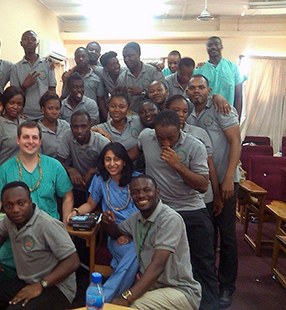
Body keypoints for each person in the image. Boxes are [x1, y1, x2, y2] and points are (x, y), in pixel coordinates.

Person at [128, 110, 219, 310]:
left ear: (180, 129)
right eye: (161, 138)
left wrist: (177, 165)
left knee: (203, 267)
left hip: (191, 210)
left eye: (171, 138)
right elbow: (129, 157)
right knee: (162, 266)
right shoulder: (146, 137)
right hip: (161, 213)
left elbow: (203, 185)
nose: (166, 143)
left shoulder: (195, 146)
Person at [0, 121, 74, 281]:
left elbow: (67, 196)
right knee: (2, 258)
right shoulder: (5, 169)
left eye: (34, 138)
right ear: (18, 140)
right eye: (26, 137)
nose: (30, 141)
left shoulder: (54, 166)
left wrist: (65, 225)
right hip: (16, 231)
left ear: (40, 141)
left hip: (48, 232)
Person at [0, 181, 80, 310]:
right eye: (9, 205)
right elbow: (0, 231)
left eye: (21, 203)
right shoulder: (9, 220)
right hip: (26, 281)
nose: (15, 210)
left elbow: (73, 261)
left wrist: (40, 285)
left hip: (57, 288)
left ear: (30, 201)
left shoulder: (47, 224)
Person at [103, 175, 201, 310]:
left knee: (132, 305)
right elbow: (115, 233)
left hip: (179, 290)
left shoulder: (170, 219)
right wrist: (108, 222)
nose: (141, 195)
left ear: (157, 192)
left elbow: (158, 265)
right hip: (153, 289)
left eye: (146, 190)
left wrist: (126, 297)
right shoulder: (136, 218)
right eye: (136, 192)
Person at [186, 75, 241, 309]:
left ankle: (227, 286)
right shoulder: (188, 114)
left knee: (227, 235)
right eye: (192, 87)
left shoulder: (222, 108)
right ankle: (209, 283)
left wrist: (229, 178)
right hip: (205, 186)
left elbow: (236, 142)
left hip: (226, 181)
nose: (196, 91)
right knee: (209, 236)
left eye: (201, 87)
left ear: (209, 90)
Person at [67, 142, 140, 302]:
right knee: (134, 253)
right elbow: (91, 204)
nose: (112, 164)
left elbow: (145, 212)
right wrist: (77, 211)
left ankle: (104, 297)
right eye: (108, 160)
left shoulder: (137, 180)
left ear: (125, 161)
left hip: (138, 233)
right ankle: (124, 297)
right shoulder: (100, 179)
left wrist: (131, 235)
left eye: (116, 159)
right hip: (114, 233)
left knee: (132, 252)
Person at [166, 94, 223, 217]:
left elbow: (210, 165)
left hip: (202, 197)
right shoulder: (158, 134)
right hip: (174, 199)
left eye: (185, 111)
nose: (181, 114)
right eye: (176, 110)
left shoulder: (199, 133)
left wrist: (216, 196)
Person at [194, 36, 246, 118]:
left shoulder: (233, 68)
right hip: (206, 117)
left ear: (221, 46)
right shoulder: (199, 71)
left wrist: (237, 118)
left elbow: (238, 95)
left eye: (216, 44)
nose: (213, 47)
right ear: (206, 48)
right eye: (210, 45)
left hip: (228, 115)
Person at [10, 30, 57, 121]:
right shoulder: (16, 68)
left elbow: (52, 90)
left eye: (33, 39)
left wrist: (51, 110)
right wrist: (24, 86)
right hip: (24, 116)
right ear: (21, 43)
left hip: (44, 115)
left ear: (37, 43)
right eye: (26, 39)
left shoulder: (47, 64)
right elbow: (13, 95)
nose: (30, 41)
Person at [57, 110, 110, 188]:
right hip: (76, 182)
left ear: (90, 126)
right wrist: (69, 169)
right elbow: (59, 161)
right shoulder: (68, 135)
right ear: (71, 127)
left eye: (83, 126)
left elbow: (111, 166)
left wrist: (93, 171)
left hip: (99, 182)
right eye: (75, 127)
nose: (79, 131)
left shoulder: (102, 142)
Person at [0, 86, 26, 168]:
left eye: (19, 104)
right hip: (5, 174)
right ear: (5, 103)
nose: (15, 107)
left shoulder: (25, 123)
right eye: (11, 103)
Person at [118, 42, 165, 113]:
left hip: (153, 113)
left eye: (130, 56)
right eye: (124, 57)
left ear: (139, 54)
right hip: (132, 115)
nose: (127, 59)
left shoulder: (153, 71)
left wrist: (142, 92)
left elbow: (162, 96)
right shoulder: (122, 78)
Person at [61, 47, 105, 116]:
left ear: (88, 58)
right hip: (71, 116)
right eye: (78, 57)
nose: (81, 59)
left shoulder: (96, 78)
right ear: (75, 60)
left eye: (83, 56)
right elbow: (64, 96)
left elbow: (101, 101)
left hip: (91, 115)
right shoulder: (69, 78)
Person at [94, 51, 127, 121]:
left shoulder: (126, 72)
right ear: (105, 68)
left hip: (127, 107)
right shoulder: (102, 72)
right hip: (113, 108)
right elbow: (90, 66)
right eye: (112, 65)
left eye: (117, 63)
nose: (116, 66)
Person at [38, 91, 70, 158]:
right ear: (42, 109)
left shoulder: (65, 126)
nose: (54, 112)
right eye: (50, 108)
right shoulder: (37, 130)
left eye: (57, 109)